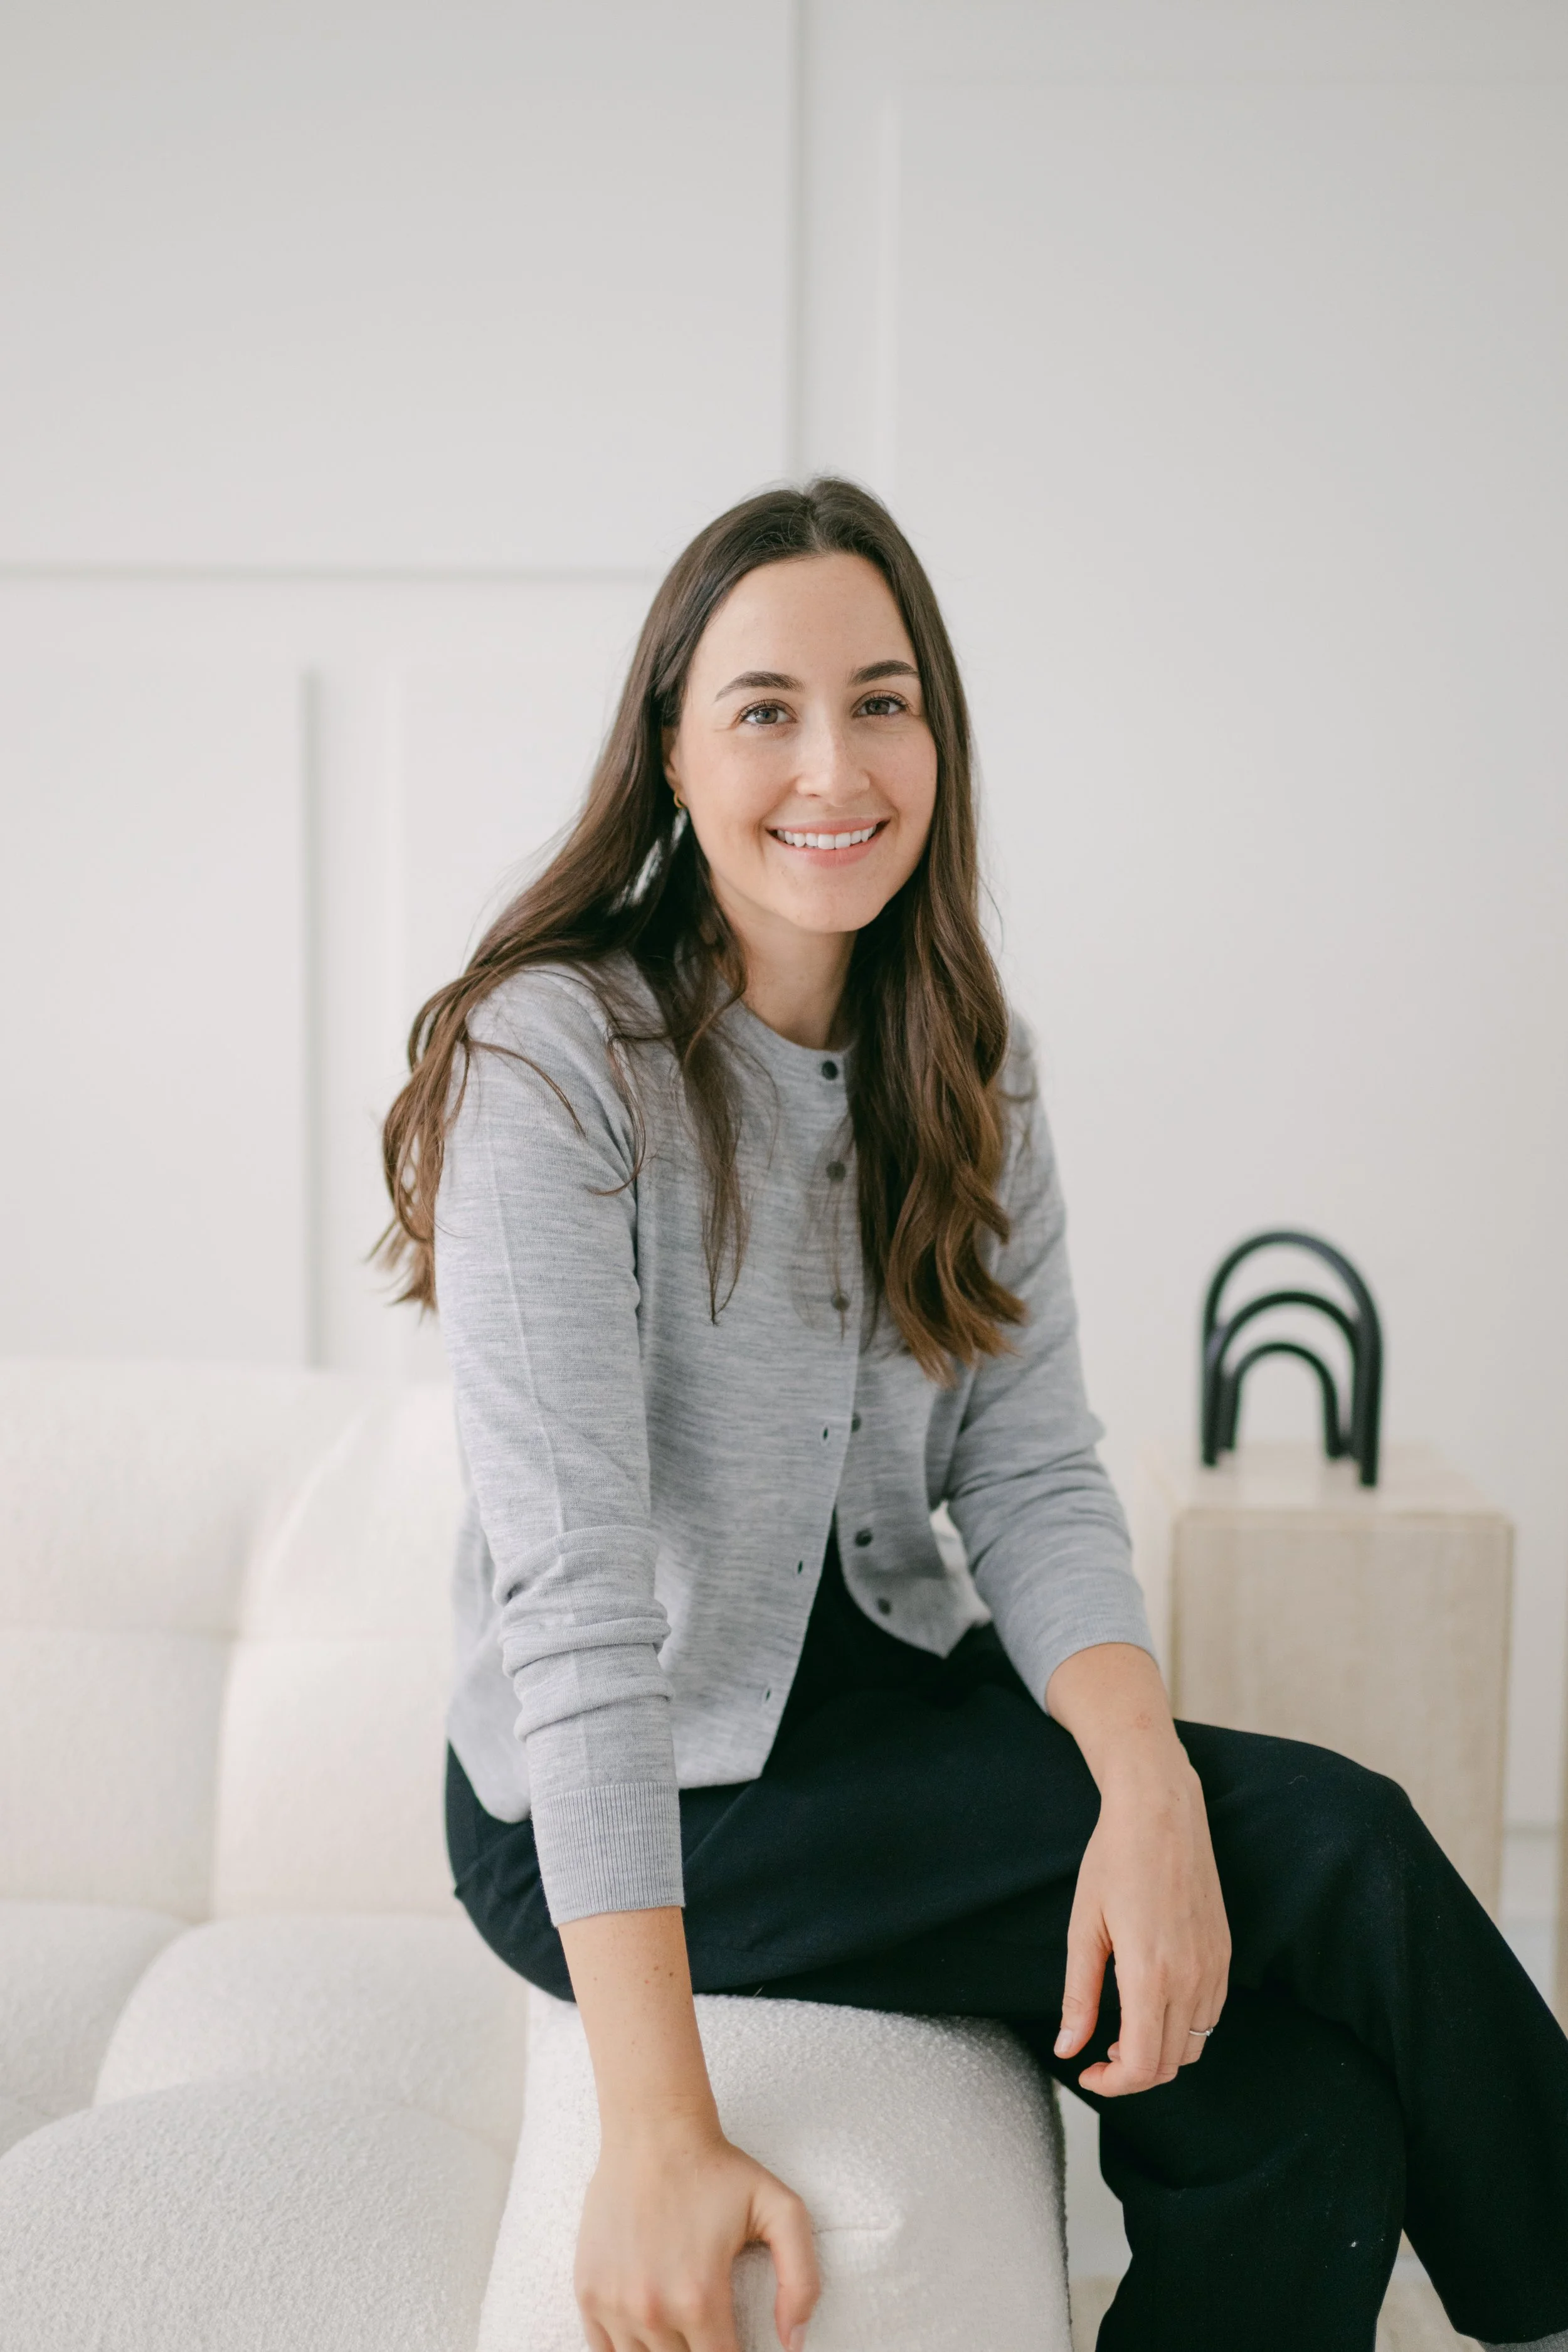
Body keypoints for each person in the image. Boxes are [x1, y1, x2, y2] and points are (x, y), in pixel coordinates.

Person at [379, 479, 1568, 2352]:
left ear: (936, 737)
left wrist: (1144, 1778)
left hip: (883, 1710)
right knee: (1343, 1842)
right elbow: (577, 1609)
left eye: (884, 696)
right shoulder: (558, 1059)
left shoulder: (967, 1053)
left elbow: (1025, 1470)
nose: (831, 759)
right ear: (671, 757)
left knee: (1291, 2115)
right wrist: (657, 2128)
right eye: (764, 706)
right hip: (624, 1799)